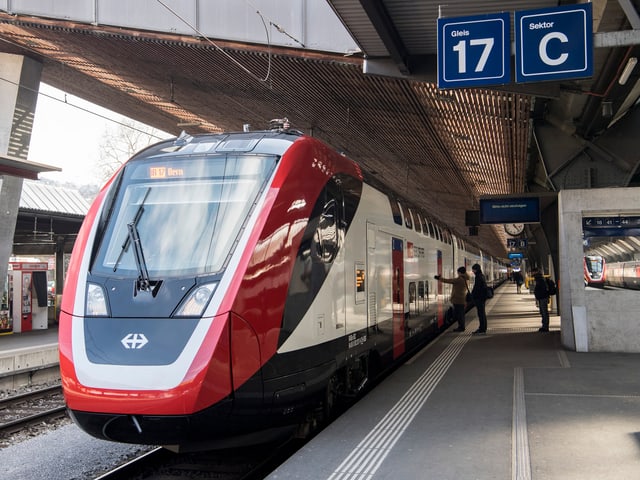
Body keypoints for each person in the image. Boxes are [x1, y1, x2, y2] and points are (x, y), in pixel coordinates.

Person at [434, 266, 470, 332]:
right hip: (462, 299)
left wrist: (439, 278)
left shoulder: (460, 279)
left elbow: (449, 281)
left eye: (458, 272)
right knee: (461, 314)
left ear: (459, 272)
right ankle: (461, 326)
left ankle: (461, 327)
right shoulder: (466, 278)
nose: (457, 273)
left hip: (458, 299)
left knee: (460, 314)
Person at [470, 263, 488, 335]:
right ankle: (482, 328)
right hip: (482, 298)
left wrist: (473, 295)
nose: (473, 271)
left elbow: (477, 288)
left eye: (473, 270)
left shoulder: (478, 277)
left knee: (481, 314)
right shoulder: (482, 276)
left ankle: (482, 329)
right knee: (482, 313)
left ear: (476, 270)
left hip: (479, 298)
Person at [532, 267, 550, 332]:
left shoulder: (540, 279)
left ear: (536, 272)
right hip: (542, 297)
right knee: (543, 312)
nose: (532, 273)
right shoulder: (539, 279)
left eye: (533, 272)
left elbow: (542, 289)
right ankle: (544, 326)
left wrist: (538, 294)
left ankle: (545, 327)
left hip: (543, 298)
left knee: (544, 312)